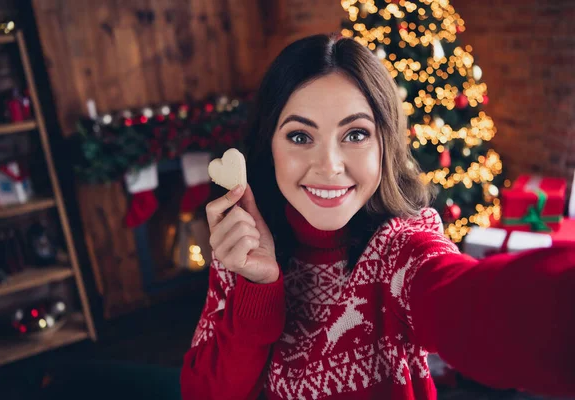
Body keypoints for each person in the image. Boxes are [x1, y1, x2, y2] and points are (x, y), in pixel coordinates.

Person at [180, 34, 575, 400]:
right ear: (269, 146)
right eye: (300, 136)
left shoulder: (401, 250)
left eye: (355, 135)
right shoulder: (242, 248)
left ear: (385, 143)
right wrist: (257, 285)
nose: (330, 166)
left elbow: (479, 306)